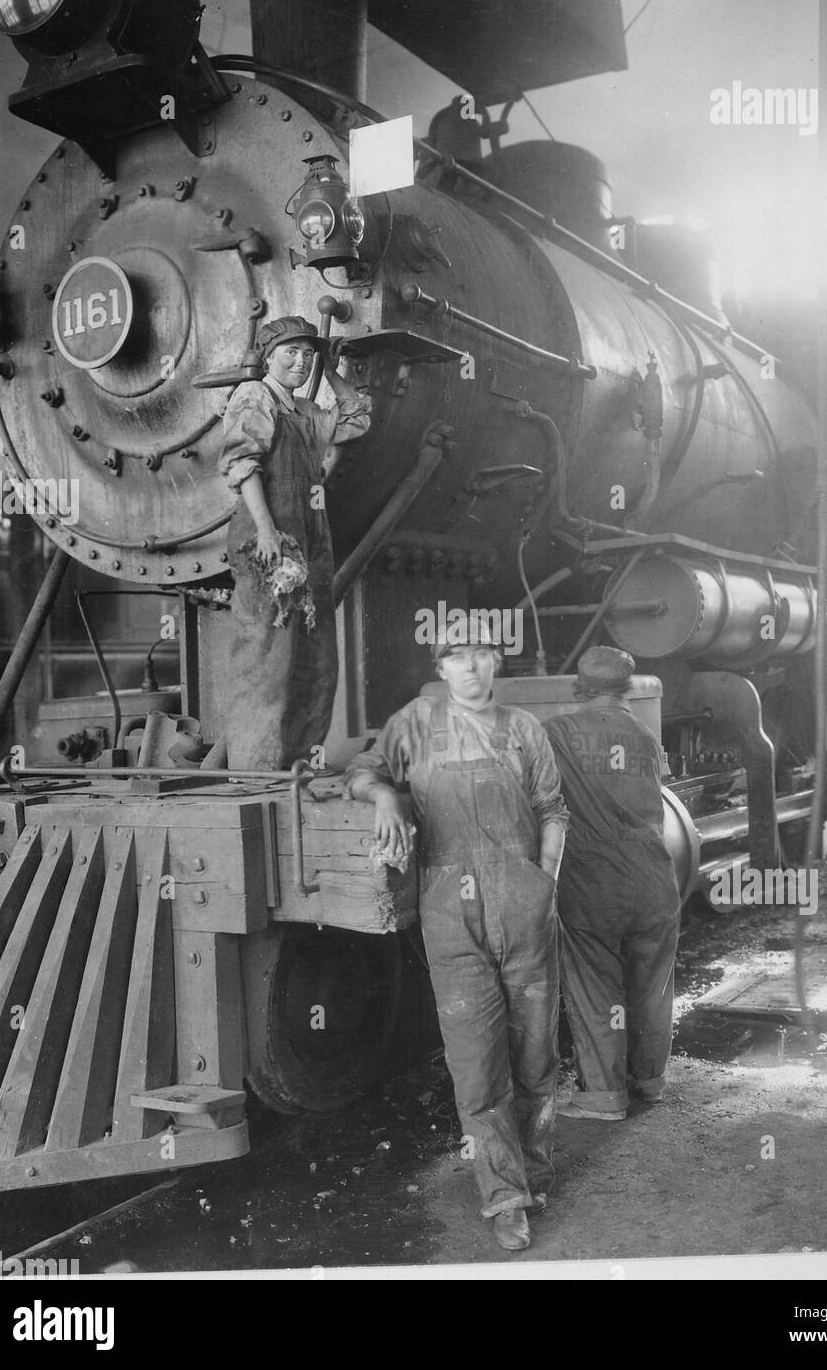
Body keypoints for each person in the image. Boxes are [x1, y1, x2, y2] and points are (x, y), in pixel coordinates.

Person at [345, 620, 569, 1251]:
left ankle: (535, 1171)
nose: (470, 669)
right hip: (451, 916)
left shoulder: (525, 730)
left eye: (481, 656)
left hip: (525, 911)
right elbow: (361, 771)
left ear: (496, 662)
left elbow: (554, 811)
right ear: (440, 668)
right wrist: (385, 796)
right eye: (456, 658)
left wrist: (543, 883)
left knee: (535, 1056)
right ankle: (504, 1197)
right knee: (476, 1066)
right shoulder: (413, 723)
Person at [218, 316, 371, 769]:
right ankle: (256, 771)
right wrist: (266, 530)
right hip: (269, 542)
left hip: (310, 542)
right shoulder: (254, 396)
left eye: (308, 354)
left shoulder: (303, 411)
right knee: (266, 659)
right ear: (269, 356)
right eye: (292, 353)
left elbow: (356, 420)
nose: (300, 362)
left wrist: (333, 368)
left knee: (317, 659)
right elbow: (243, 466)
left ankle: (298, 762)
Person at [543, 646, 681, 1119]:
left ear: (580, 687)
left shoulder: (556, 732)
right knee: (652, 983)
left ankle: (603, 1097)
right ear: (626, 687)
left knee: (596, 984)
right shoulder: (643, 734)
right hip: (655, 873)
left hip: (593, 878)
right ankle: (651, 1081)